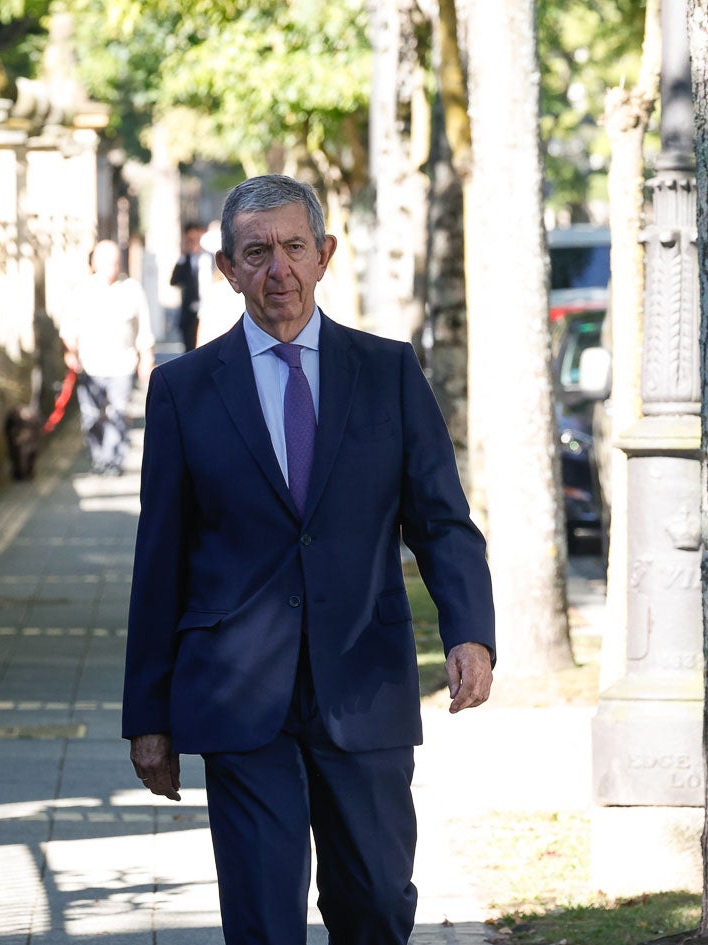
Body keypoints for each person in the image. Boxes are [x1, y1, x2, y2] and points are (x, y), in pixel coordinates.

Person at [123, 176, 495, 945]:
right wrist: (148, 716)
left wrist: (470, 632)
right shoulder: (183, 390)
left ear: (324, 256)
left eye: (294, 248)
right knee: (262, 919)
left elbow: (442, 520)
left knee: (377, 902)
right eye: (255, 253)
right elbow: (158, 559)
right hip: (237, 694)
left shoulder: (387, 371)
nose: (277, 270)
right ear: (225, 269)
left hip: (365, 679)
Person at [61, 239, 155, 476]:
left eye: (115, 261)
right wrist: (71, 353)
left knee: (118, 412)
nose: (113, 266)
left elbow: (143, 327)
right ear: (94, 263)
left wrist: (146, 358)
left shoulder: (132, 288)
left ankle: (114, 459)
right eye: (107, 262)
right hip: (91, 365)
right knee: (92, 416)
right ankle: (99, 457)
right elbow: (68, 328)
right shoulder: (82, 290)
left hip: (123, 364)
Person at [169, 221, 209, 351]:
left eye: (195, 239)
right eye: (190, 239)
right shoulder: (184, 260)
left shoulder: (211, 258)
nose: (193, 243)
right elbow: (174, 281)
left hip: (209, 311)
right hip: (190, 315)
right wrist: (182, 256)